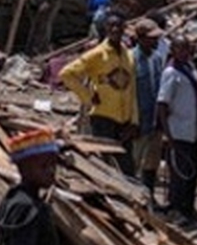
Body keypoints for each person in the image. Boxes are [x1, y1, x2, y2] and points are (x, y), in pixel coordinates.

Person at [59, 10, 138, 175]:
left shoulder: (129, 56)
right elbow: (67, 74)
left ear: (125, 28)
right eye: (111, 26)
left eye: (119, 26)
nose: (115, 29)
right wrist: (87, 96)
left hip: (124, 121)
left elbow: (132, 90)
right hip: (103, 118)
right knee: (104, 166)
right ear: (106, 29)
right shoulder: (97, 54)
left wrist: (134, 121)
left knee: (127, 168)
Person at [0, 126, 65, 245]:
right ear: (24, 169)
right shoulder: (27, 209)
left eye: (53, 165)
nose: (51, 171)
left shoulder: (16, 201)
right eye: (43, 166)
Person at [157, 34, 197, 224]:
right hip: (178, 130)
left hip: (192, 129)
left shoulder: (189, 68)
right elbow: (162, 103)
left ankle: (188, 207)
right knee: (179, 174)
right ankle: (176, 209)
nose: (185, 52)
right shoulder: (171, 73)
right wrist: (167, 133)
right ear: (173, 50)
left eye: (187, 48)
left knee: (192, 172)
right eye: (181, 49)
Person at [131, 17, 169, 207]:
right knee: (135, 162)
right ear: (140, 38)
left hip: (154, 119)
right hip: (138, 120)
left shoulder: (157, 58)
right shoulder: (131, 59)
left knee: (152, 162)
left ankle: (149, 196)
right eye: (151, 38)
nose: (155, 42)